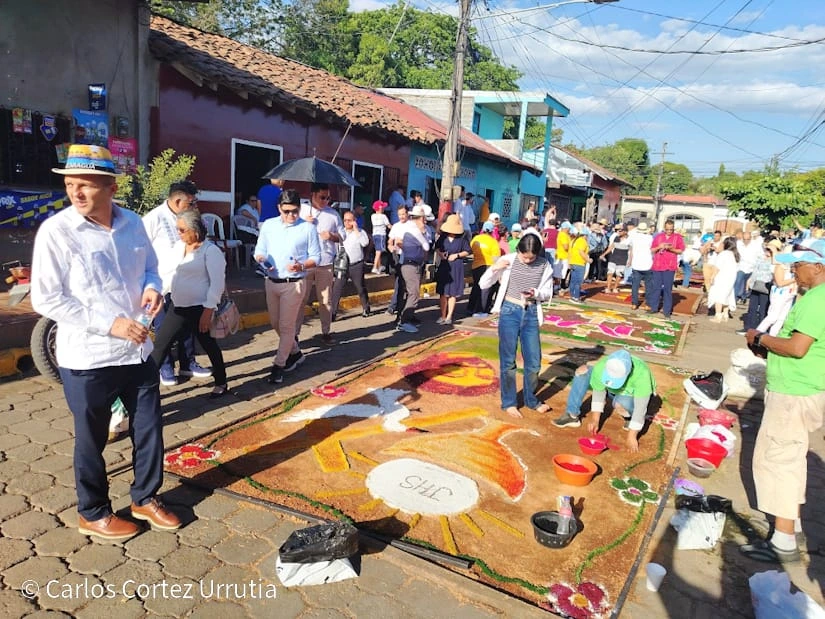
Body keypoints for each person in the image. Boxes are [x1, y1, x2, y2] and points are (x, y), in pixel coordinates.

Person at [31, 144, 180, 540]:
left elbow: (152, 268)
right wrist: (108, 324)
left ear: (111, 187)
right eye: (70, 184)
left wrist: (152, 288)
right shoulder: (57, 232)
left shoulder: (133, 223)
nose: (76, 192)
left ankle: (145, 498)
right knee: (92, 439)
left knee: (149, 428)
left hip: (137, 350)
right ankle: (92, 510)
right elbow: (46, 298)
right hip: (88, 356)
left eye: (85, 185)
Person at [740, 238, 825, 563]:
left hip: (795, 393)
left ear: (818, 267)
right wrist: (767, 347)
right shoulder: (814, 296)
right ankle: (789, 526)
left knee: (779, 460)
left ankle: (783, 541)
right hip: (799, 387)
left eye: (798, 265)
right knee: (786, 457)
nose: (793, 270)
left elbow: (798, 347)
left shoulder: (818, 300)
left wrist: (761, 338)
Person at [150, 209, 228, 398]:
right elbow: (169, 273)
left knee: (208, 345)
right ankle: (145, 388)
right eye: (178, 229)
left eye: (182, 230)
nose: (179, 233)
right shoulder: (179, 247)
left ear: (195, 230)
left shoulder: (210, 251)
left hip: (200, 309)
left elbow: (217, 283)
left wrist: (208, 311)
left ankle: (221, 381)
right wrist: (159, 296)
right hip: (177, 307)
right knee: (160, 345)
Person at [142, 181, 211, 387]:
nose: (193, 205)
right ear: (178, 200)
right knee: (164, 328)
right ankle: (165, 367)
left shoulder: (190, 218)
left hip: (187, 280)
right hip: (162, 283)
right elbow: (141, 250)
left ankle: (188, 363)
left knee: (187, 324)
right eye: (191, 202)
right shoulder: (154, 218)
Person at [479, 234, 554, 418]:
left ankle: (530, 399)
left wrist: (535, 292)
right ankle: (509, 402)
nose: (527, 260)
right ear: (518, 250)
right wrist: (495, 268)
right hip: (509, 311)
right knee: (508, 360)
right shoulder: (508, 260)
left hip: (530, 313)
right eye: (524, 256)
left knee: (534, 361)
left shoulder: (544, 265)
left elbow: (547, 293)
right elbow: (483, 284)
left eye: (531, 257)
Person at [255, 189, 321, 385]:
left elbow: (316, 257)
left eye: (295, 211)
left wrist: (301, 266)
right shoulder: (269, 225)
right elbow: (260, 250)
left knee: (286, 326)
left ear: (300, 208)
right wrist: (260, 258)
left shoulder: (307, 228)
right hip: (272, 280)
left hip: (294, 283)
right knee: (276, 323)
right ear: (279, 209)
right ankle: (296, 353)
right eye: (286, 211)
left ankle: (278, 365)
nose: (291, 215)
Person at [552, 349, 656, 453]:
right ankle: (572, 415)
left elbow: (640, 407)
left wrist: (632, 436)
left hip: (629, 395)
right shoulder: (601, 367)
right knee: (583, 372)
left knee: (621, 403)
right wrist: (595, 419)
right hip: (612, 391)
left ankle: (629, 417)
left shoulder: (642, 374)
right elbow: (599, 392)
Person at [297, 183, 345, 346]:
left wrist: (332, 236)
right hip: (305, 261)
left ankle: (326, 331)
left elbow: (343, 235)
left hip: (325, 262)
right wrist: (303, 222)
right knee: (300, 299)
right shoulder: (301, 210)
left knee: (325, 299)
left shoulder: (333, 214)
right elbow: (288, 228)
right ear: (312, 195)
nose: (325, 201)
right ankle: (295, 334)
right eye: (322, 197)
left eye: (328, 198)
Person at [391, 204, 431, 333]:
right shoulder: (413, 230)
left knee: (412, 292)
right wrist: (422, 233)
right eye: (422, 218)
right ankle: (403, 321)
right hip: (409, 263)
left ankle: (406, 319)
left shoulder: (415, 229)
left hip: (414, 263)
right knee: (412, 293)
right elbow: (426, 246)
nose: (424, 221)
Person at [331, 209, 371, 319]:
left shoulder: (360, 232)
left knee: (360, 287)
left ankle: (366, 307)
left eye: (349, 220)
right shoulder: (341, 232)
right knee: (336, 288)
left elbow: (365, 243)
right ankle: (333, 312)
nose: (347, 223)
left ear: (354, 221)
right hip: (342, 265)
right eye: (345, 220)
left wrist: (356, 229)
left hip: (356, 264)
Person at [434, 214, 471, 324]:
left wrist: (457, 255)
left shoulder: (462, 239)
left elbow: (467, 251)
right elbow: (437, 248)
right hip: (445, 266)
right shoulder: (443, 238)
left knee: (453, 293)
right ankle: (443, 315)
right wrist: (441, 254)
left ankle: (449, 316)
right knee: (443, 292)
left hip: (456, 266)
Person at [757, 239, 797, 336]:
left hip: (790, 293)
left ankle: (772, 337)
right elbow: (780, 283)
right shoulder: (780, 266)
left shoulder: (791, 267)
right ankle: (757, 334)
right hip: (779, 293)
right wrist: (795, 279)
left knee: (781, 318)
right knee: (772, 317)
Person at [648, 219, 685, 319]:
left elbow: (681, 250)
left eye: (671, 229)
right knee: (656, 288)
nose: (669, 231)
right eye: (667, 229)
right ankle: (654, 308)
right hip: (657, 265)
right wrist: (659, 247)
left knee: (668, 289)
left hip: (669, 266)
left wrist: (671, 249)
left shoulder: (677, 237)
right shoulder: (659, 237)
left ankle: (667, 310)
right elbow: (652, 249)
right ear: (664, 228)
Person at [737, 243, 775, 336]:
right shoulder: (761, 258)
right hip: (756, 284)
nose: (767, 252)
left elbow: (773, 270)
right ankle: (749, 328)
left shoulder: (775, 260)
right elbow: (755, 270)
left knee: (763, 309)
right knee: (752, 308)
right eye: (766, 249)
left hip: (766, 286)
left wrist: (774, 254)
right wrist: (749, 281)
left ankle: (761, 331)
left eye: (770, 250)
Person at [467, 220, 501, 317]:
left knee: (476, 287)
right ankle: (481, 310)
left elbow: (470, 250)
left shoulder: (476, 239)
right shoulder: (493, 242)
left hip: (476, 266)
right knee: (485, 288)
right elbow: (496, 258)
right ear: (491, 231)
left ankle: (470, 308)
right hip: (488, 267)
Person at [707, 236, 739, 322]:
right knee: (727, 295)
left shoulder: (724, 254)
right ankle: (725, 314)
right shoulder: (734, 255)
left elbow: (717, 267)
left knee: (719, 295)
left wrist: (712, 276)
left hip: (722, 277)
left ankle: (718, 315)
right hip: (731, 278)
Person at [628, 221, 654, 310]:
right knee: (648, 285)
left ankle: (634, 304)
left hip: (636, 263)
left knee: (635, 285)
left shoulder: (634, 237)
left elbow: (629, 244)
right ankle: (648, 304)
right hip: (647, 263)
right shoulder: (650, 238)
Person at [601, 225, 629, 294]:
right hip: (614, 257)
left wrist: (630, 260)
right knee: (610, 272)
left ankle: (615, 288)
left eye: (621, 231)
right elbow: (611, 247)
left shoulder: (629, 240)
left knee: (619, 274)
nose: (619, 232)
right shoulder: (616, 238)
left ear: (625, 232)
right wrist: (604, 254)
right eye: (619, 230)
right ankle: (608, 287)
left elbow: (631, 250)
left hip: (623, 258)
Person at [567, 224, 591, 304]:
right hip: (580, 263)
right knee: (578, 281)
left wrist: (569, 262)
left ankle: (572, 295)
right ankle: (576, 297)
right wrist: (588, 259)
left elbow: (569, 253)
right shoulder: (582, 241)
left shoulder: (573, 240)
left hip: (573, 262)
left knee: (573, 280)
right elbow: (581, 252)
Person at [370, 200, 391, 274]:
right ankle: (375, 267)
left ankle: (379, 266)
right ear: (380, 208)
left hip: (374, 235)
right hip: (381, 235)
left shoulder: (372, 216)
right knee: (379, 252)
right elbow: (388, 225)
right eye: (383, 207)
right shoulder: (383, 216)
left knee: (377, 251)